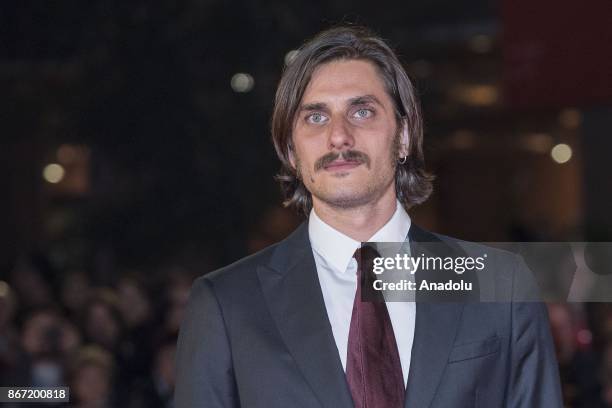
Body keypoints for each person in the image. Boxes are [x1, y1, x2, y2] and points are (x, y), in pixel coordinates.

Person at [175, 26, 563, 407]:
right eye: (315, 117)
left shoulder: (501, 286)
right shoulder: (226, 305)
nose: (339, 136)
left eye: (362, 112)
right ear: (291, 151)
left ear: (404, 136)